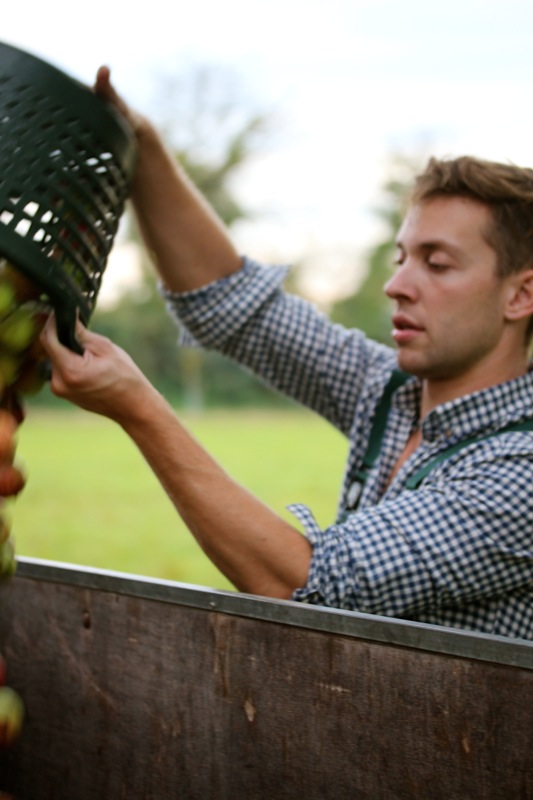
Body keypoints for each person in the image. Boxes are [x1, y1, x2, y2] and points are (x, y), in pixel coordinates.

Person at [40, 67, 533, 640]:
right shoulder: (392, 391)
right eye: (401, 257)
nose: (397, 284)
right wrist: (142, 148)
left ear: (521, 294)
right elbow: (232, 307)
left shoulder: (521, 470)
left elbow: (305, 582)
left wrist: (140, 409)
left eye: (437, 263)